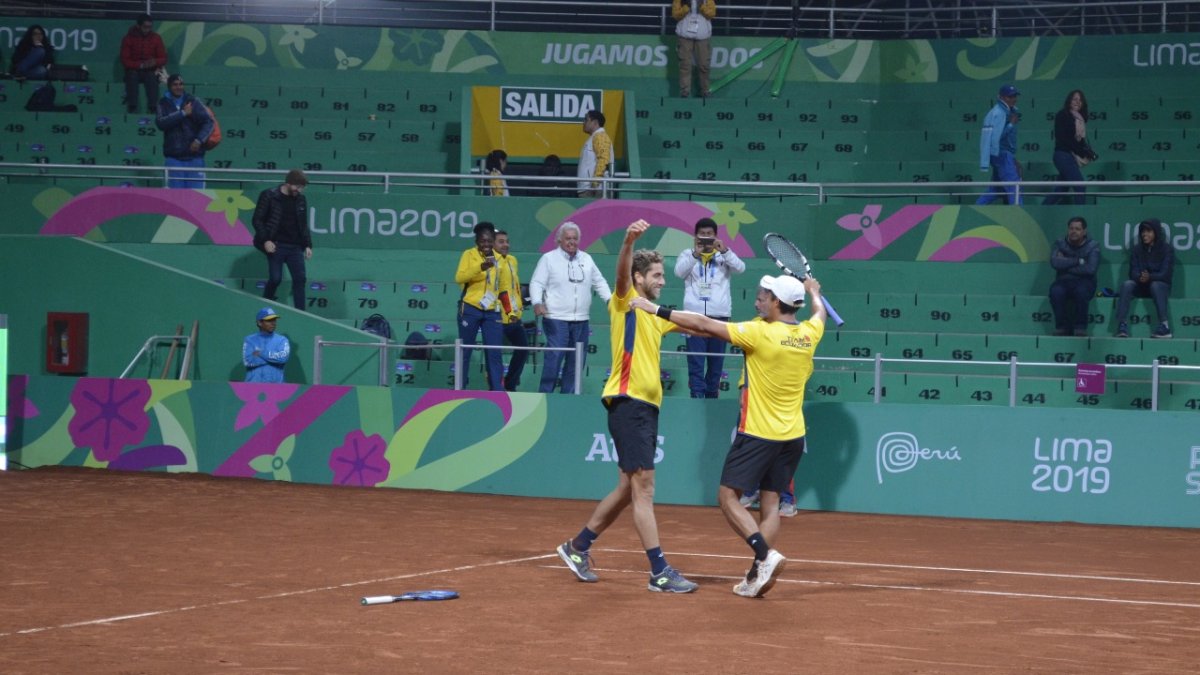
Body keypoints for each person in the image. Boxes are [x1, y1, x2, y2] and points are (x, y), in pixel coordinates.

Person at [630, 273, 827, 598]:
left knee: (726, 497)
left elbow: (705, 324)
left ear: (777, 302)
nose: (757, 301)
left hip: (758, 434)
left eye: (764, 296)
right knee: (772, 502)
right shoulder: (809, 333)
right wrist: (815, 292)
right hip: (793, 436)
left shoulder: (759, 332)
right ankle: (755, 575)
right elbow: (819, 313)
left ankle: (765, 555)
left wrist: (656, 310)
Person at [555, 219, 699, 594]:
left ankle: (577, 547)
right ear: (638, 278)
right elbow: (620, 276)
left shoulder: (654, 315)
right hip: (628, 403)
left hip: (646, 408)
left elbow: (696, 327)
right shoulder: (624, 303)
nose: (662, 280)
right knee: (644, 489)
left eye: (663, 275)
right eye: (655, 275)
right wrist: (627, 242)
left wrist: (741, 332)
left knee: (625, 488)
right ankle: (660, 572)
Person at [529, 222, 612, 394]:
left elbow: (600, 282)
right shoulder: (548, 258)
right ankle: (545, 396)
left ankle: (569, 397)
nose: (571, 242)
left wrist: (610, 301)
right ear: (559, 240)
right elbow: (537, 282)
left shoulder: (587, 259)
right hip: (556, 318)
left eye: (575, 238)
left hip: (581, 320)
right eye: (568, 238)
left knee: (576, 361)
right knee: (554, 358)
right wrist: (537, 302)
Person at [674, 217, 745, 398]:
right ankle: (696, 398)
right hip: (693, 317)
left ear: (716, 236)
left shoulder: (724, 256)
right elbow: (678, 272)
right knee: (695, 363)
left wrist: (726, 251)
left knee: (716, 364)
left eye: (709, 235)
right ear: (695, 236)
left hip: (719, 317)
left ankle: (712, 399)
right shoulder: (687, 254)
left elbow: (741, 268)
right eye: (702, 234)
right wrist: (695, 255)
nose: (705, 238)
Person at [454, 222, 505, 391]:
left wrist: (509, 310)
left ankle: (497, 390)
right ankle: (460, 387)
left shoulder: (499, 259)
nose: (486, 244)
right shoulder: (468, 255)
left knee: (494, 352)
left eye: (489, 241)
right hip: (470, 308)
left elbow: (503, 286)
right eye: (483, 241)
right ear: (477, 240)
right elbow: (460, 278)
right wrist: (479, 268)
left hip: (492, 311)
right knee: (465, 350)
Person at [253, 169, 312, 311]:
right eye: (297, 186)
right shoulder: (269, 195)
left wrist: (308, 245)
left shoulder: (301, 199)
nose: (299, 190)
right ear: (288, 183)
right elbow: (257, 220)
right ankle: (265, 308)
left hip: (295, 246)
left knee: (300, 279)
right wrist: (266, 240)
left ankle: (301, 314)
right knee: (275, 279)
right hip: (276, 244)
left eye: (302, 187)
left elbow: (303, 225)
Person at [1115, 218, 1175, 339]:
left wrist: (1150, 277)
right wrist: (1141, 277)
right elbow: (1133, 272)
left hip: (1159, 287)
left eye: (1148, 231)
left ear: (1156, 233)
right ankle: (1122, 325)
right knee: (1127, 284)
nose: (1144, 234)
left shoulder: (1167, 249)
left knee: (1156, 285)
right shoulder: (1137, 249)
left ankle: (1164, 327)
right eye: (1143, 231)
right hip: (1141, 285)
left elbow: (1165, 274)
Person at [156, 74, 214, 189]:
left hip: (195, 158)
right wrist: (182, 114)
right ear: (169, 86)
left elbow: (209, 122)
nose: (178, 87)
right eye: (175, 84)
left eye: (181, 84)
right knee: (174, 198)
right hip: (174, 159)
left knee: (197, 197)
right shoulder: (163, 103)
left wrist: (199, 140)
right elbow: (161, 123)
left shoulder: (193, 101)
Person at [1048, 216, 1100, 337]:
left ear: (1084, 231)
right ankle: (1062, 327)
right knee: (1055, 291)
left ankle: (1080, 327)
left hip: (1085, 282)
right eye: (1071, 228)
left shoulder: (1093, 246)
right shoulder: (1060, 243)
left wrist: (1065, 264)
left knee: (1081, 291)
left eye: (1077, 229)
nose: (1073, 231)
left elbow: (1090, 269)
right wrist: (1079, 261)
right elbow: (1055, 263)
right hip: (1063, 281)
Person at [1044, 89, 1096, 206]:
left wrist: (1087, 152)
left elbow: (1079, 141)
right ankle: (1080, 215)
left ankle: (1042, 209)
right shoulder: (1063, 115)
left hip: (1069, 156)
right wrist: (1082, 151)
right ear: (1069, 101)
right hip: (1063, 155)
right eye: (1075, 99)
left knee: (1061, 189)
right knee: (1080, 186)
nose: (1078, 102)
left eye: (1080, 100)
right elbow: (1063, 138)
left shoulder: (1080, 119)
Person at [494, 229, 529, 390]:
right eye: (501, 242)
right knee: (494, 354)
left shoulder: (512, 260)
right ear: (493, 244)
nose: (505, 244)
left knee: (523, 349)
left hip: (514, 317)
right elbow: (501, 291)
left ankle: (510, 383)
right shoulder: (491, 262)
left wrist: (519, 307)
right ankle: (496, 385)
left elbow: (513, 288)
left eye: (507, 241)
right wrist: (510, 311)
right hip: (498, 316)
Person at [976, 84, 1022, 206]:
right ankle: (1020, 217)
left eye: (1015, 96)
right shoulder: (999, 113)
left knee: (996, 189)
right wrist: (1011, 124)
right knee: (1014, 189)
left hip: (1002, 155)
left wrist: (1012, 158)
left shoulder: (1004, 111)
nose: (1013, 99)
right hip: (1001, 154)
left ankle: (976, 208)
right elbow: (997, 138)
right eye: (1010, 97)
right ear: (1001, 97)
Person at [120, 14, 167, 114]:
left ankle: (153, 107)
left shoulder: (156, 38)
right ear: (138, 26)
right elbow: (125, 60)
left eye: (150, 27)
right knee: (132, 76)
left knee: (151, 77)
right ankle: (132, 106)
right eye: (145, 27)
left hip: (149, 70)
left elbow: (163, 58)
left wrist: (155, 62)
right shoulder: (128, 39)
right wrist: (140, 65)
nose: (148, 29)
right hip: (133, 70)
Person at [673, 0, 717, 98]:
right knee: (684, 64)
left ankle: (705, 90)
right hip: (684, 36)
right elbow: (675, 15)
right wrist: (686, 7)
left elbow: (712, 14)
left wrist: (702, 6)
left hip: (703, 36)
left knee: (704, 65)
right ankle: (684, 91)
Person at [243, 307, 290, 383]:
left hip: (277, 387)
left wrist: (261, 353)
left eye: (274, 320)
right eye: (269, 320)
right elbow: (248, 361)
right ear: (259, 323)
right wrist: (274, 359)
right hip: (253, 386)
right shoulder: (249, 340)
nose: (273, 323)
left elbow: (283, 358)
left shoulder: (282, 340)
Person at [576, 110, 612, 199]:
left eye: (586, 119)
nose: (583, 122)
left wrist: (595, 183)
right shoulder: (595, 137)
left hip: (594, 190)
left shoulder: (600, 136)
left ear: (595, 122)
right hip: (590, 189)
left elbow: (603, 159)